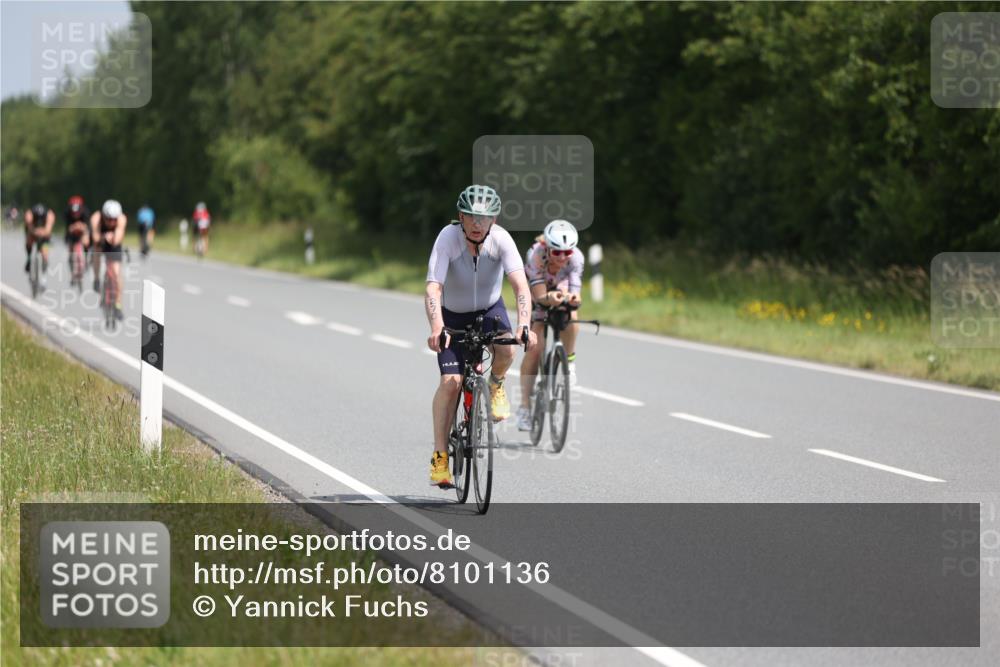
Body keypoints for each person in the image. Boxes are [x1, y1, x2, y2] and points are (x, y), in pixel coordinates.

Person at [425, 184, 537, 487]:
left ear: (494, 220)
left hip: (489, 310)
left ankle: (495, 384)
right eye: (471, 217)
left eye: (484, 218)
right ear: (460, 217)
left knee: (508, 349)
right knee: (451, 382)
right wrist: (437, 327)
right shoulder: (447, 238)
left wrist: (524, 324)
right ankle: (439, 456)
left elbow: (520, 285)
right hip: (452, 315)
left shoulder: (501, 239)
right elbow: (433, 287)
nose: (478, 224)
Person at [516, 220, 585, 431]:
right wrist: (549, 298)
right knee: (535, 348)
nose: (563, 257)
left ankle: (569, 363)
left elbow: (576, 293)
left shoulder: (576, 258)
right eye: (557, 252)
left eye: (567, 252)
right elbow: (539, 296)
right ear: (547, 247)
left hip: (560, 290)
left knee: (572, 316)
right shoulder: (535, 254)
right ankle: (524, 407)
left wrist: (573, 299)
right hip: (537, 295)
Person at [90, 200, 127, 319]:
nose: (111, 222)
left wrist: (112, 238)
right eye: (108, 219)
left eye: (114, 220)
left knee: (116, 273)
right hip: (100, 241)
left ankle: (118, 305)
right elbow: (95, 237)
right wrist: (103, 238)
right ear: (104, 216)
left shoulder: (121, 219)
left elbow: (117, 239)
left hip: (114, 242)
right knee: (96, 252)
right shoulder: (96, 218)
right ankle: (96, 279)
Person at [23, 203, 55, 273]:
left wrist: (42, 232)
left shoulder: (49, 215)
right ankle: (29, 258)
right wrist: (35, 231)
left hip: (44, 232)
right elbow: (29, 227)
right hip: (33, 231)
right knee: (29, 240)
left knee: (45, 248)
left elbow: (48, 230)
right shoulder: (29, 214)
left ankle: (45, 260)